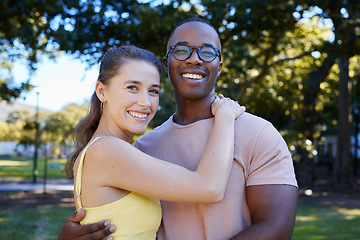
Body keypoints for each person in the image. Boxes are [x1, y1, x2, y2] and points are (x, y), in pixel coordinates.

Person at [59, 18, 298, 240]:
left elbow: (276, 229)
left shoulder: (258, 132)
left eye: (152, 91)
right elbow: (208, 188)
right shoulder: (140, 148)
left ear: (219, 65)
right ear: (167, 64)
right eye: (182, 50)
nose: (194, 59)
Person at [61, 44, 245, 240]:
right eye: (132, 88)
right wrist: (225, 116)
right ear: (102, 92)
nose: (146, 102)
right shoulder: (106, 150)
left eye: (153, 91)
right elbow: (209, 188)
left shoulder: (104, 149)